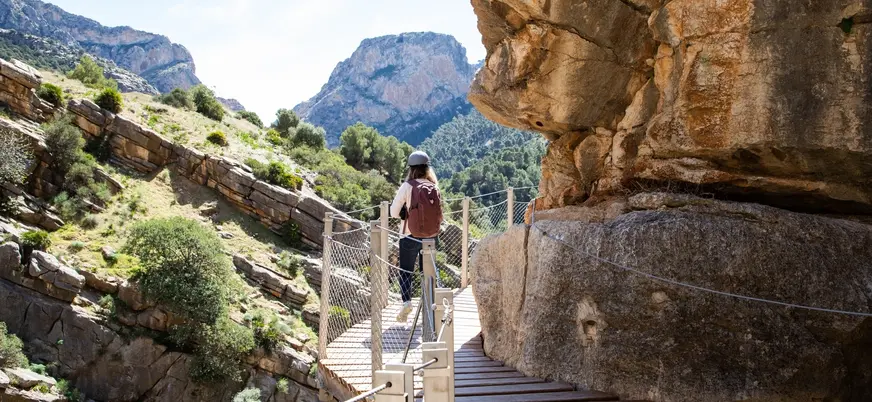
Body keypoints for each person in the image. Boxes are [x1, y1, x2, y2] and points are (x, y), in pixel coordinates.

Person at [390, 150, 443, 322]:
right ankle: (429, 305)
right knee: (427, 273)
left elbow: (393, 212)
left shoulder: (408, 186)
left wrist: (406, 213)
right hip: (431, 237)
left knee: (406, 271)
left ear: (411, 169)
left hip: (409, 235)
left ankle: (406, 302)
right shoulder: (434, 186)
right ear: (427, 168)